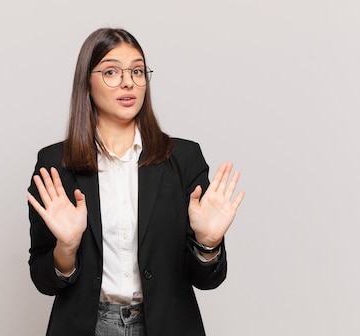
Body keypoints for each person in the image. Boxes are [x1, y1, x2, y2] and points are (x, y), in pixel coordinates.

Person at [26, 27, 245, 336]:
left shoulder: (184, 159)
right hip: (86, 327)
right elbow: (43, 279)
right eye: (112, 71)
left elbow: (207, 279)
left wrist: (207, 244)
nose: (128, 81)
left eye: (138, 71)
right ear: (86, 83)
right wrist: (67, 247)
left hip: (168, 325)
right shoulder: (54, 165)